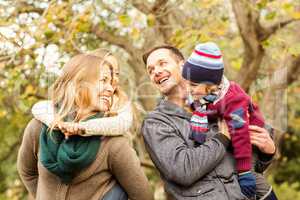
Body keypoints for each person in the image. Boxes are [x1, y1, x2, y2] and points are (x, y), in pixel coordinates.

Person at [141, 45, 276, 200]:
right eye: (150, 70)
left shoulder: (222, 98)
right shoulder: (156, 122)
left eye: (162, 63)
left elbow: (252, 163)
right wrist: (222, 138)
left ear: (183, 65)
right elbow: (182, 170)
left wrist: (268, 152)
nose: (156, 72)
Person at [17, 53, 153, 200]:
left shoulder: (114, 144)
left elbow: (143, 196)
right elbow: (27, 173)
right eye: (103, 80)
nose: (111, 89)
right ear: (78, 82)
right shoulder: (37, 128)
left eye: (111, 83)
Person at [182, 42, 277, 200]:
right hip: (233, 135)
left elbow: (240, 137)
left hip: (248, 138)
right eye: (187, 83)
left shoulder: (233, 101)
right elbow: (205, 106)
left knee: (252, 178)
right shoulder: (209, 94)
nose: (189, 89)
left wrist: (244, 171)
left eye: (193, 85)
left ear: (210, 84)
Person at [31, 49, 133, 139]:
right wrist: (57, 123)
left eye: (117, 73)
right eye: (106, 74)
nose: (114, 78)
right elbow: (40, 107)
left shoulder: (119, 100)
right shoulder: (72, 101)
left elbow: (123, 123)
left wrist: (82, 127)